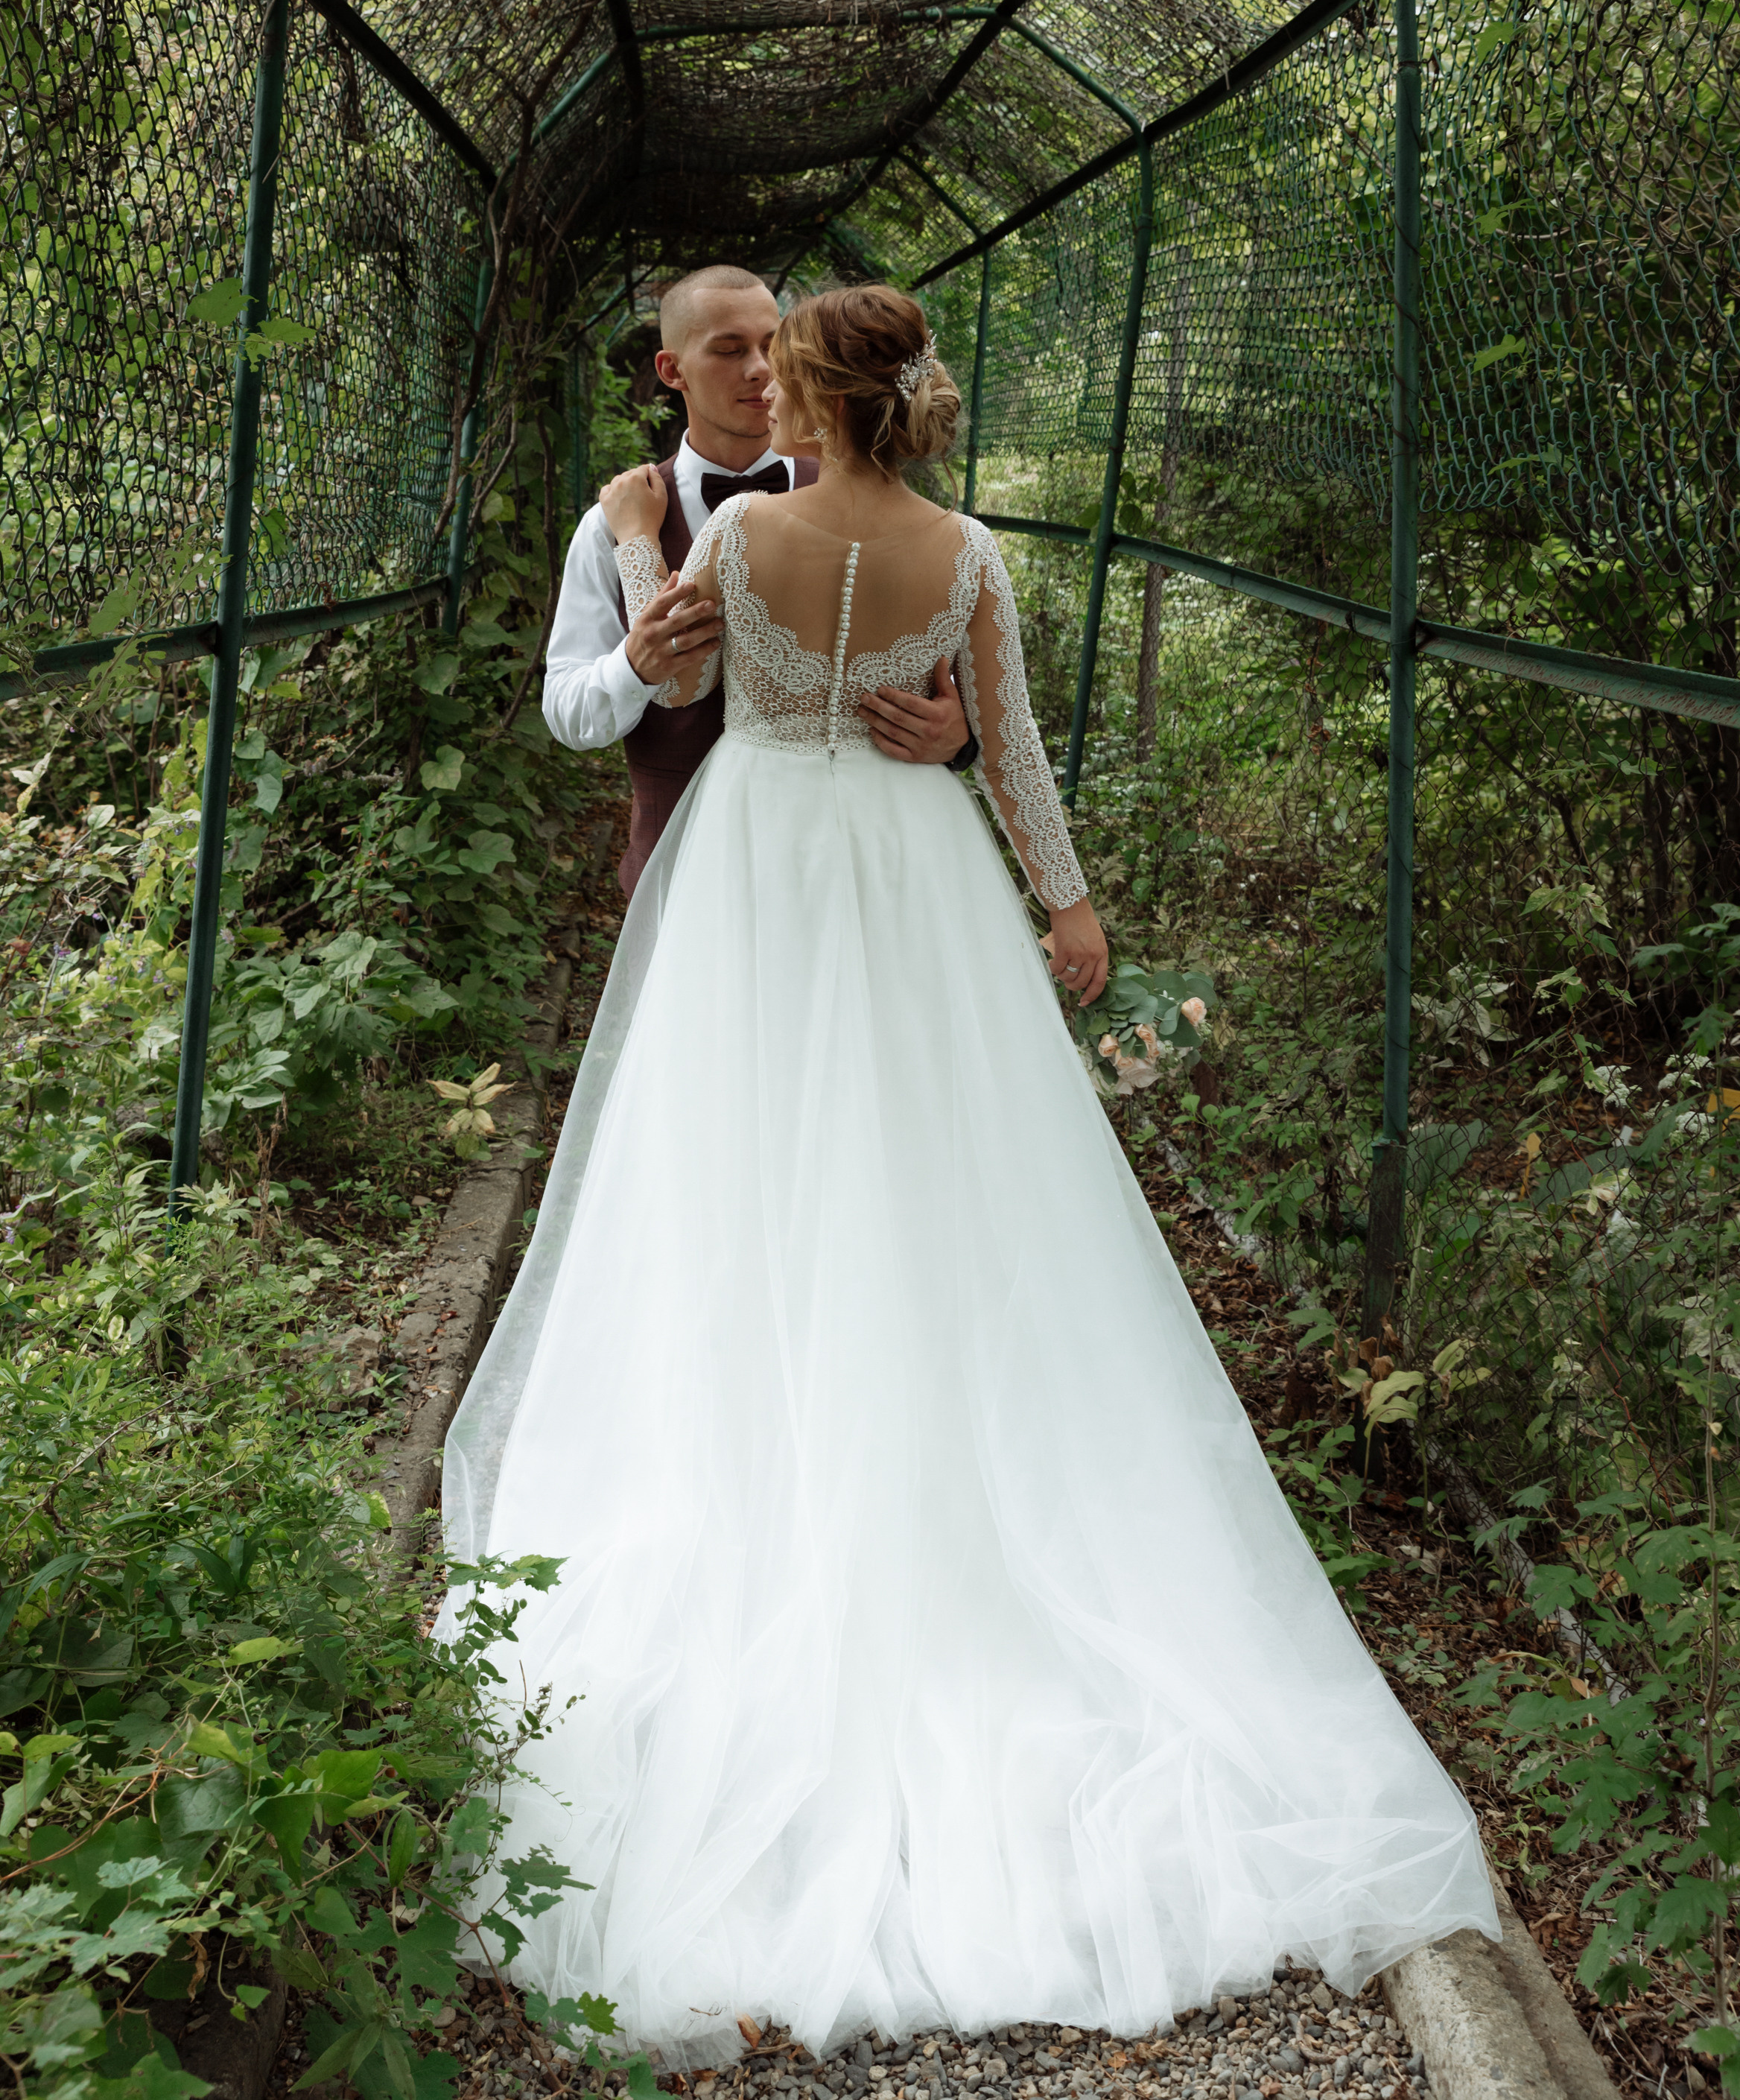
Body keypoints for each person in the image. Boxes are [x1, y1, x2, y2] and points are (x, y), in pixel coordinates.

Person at [442, 285, 1497, 2067]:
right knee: (941, 1173)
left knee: (738, 1174)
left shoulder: (736, 537)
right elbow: (1008, 748)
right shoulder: (970, 554)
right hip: (915, 871)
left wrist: (640, 557)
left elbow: (675, 681)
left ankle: (769, 1436)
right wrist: (1066, 906)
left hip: (759, 858)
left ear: (812, 395)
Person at [543, 264, 974, 893]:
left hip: (854, 872)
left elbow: (945, 667)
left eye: (774, 345)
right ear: (671, 371)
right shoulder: (613, 525)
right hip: (682, 876)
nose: (761, 369)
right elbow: (567, 712)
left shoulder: (878, 500)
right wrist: (633, 668)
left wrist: (961, 738)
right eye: (729, 350)